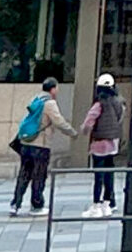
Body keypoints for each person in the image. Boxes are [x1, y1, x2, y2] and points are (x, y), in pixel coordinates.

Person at [10, 76, 75, 215]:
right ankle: (37, 205)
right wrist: (72, 132)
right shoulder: (50, 103)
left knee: (24, 174)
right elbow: (59, 122)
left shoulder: (36, 99)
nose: (57, 90)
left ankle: (15, 204)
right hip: (40, 145)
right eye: (56, 87)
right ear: (52, 89)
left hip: (26, 142)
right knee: (39, 175)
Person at [80, 74, 126, 218]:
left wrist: (85, 131)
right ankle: (108, 204)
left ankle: (96, 206)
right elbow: (119, 119)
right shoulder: (119, 103)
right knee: (109, 175)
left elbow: (88, 123)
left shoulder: (99, 104)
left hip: (99, 144)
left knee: (98, 176)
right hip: (113, 143)